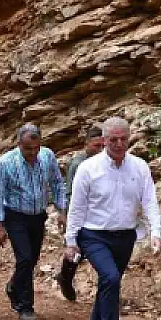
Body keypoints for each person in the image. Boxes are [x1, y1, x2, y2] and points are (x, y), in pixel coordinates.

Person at [65, 117, 161, 320]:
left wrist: (156, 231)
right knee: (110, 277)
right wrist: (71, 240)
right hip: (94, 234)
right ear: (104, 140)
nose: (119, 144)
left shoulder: (139, 167)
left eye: (123, 139)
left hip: (125, 235)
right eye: (113, 140)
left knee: (110, 281)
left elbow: (149, 201)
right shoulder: (88, 169)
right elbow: (77, 206)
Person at [0, 123, 66, 320]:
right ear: (18, 144)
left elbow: (57, 182)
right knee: (24, 258)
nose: (32, 153)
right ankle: (26, 307)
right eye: (27, 148)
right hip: (15, 216)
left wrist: (61, 210)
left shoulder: (47, 157)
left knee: (31, 260)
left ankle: (14, 286)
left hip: (38, 215)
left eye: (35, 148)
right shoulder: (5, 163)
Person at [58, 125, 106, 301]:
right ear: (86, 144)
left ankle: (107, 294)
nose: (100, 150)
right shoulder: (78, 164)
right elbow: (69, 192)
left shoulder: (105, 163)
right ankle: (65, 278)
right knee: (77, 251)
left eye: (103, 146)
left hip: (99, 215)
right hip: (81, 215)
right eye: (96, 146)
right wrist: (69, 216)